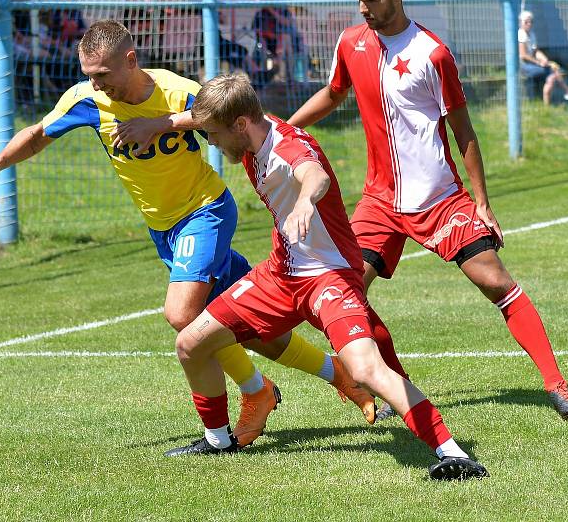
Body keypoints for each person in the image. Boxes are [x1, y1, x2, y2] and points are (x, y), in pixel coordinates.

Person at [0, 20, 376, 448]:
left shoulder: (176, 91)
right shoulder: (86, 99)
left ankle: (255, 392)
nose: (94, 83)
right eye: (88, 74)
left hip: (205, 212)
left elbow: (234, 117)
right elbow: (37, 136)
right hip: (163, 229)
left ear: (131, 60)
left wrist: (160, 124)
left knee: (183, 316)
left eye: (102, 74)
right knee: (247, 327)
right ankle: (339, 373)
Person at [287, 0, 568, 420]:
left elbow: (463, 131)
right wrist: (287, 129)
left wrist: (482, 203)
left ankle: (557, 384)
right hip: (379, 202)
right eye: (357, 0)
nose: (362, 9)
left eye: (371, 0)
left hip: (440, 200)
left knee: (495, 281)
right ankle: (398, 391)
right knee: (344, 297)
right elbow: (333, 93)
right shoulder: (350, 43)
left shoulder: (433, 52)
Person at [162, 72, 488, 481]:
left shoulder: (289, 145)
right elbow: (203, 119)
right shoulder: (247, 127)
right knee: (190, 342)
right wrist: (163, 123)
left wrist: (303, 203)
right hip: (281, 274)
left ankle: (452, 453)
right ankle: (218, 442)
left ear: (240, 124)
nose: (210, 142)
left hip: (329, 277)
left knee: (367, 369)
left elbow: (314, 175)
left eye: (212, 134)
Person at [518, 10, 568, 105]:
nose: (529, 24)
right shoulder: (521, 34)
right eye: (526, 22)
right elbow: (524, 55)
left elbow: (536, 51)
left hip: (533, 65)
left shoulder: (531, 34)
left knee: (551, 78)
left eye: (530, 21)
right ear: (521, 22)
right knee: (553, 71)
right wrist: (539, 63)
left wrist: (544, 59)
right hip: (524, 67)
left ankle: (547, 106)